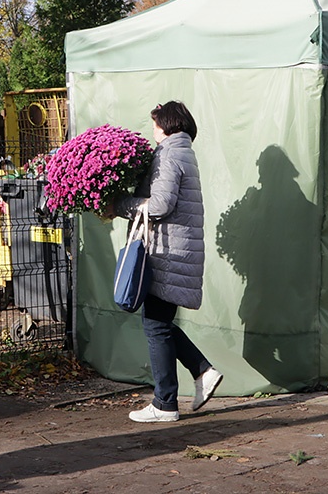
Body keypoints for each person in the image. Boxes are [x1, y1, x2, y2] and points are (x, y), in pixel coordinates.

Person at [113, 101, 223, 422]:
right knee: (159, 323)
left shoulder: (170, 153)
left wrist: (121, 204)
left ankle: (165, 404)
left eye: (155, 125)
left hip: (168, 252)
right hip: (176, 249)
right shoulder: (182, 150)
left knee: (155, 326)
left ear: (167, 125)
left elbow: (159, 205)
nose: (153, 131)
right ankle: (202, 371)